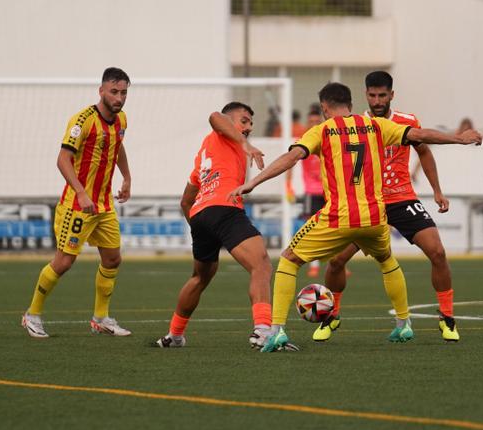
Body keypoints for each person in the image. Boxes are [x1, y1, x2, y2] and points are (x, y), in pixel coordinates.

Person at [230, 82, 481, 352]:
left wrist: (253, 182)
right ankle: (403, 324)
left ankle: (277, 330)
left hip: (338, 218)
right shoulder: (375, 125)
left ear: (325, 107)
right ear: (350, 103)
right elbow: (420, 135)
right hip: (374, 218)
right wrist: (459, 138)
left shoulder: (322, 130)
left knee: (289, 260)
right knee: (386, 260)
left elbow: (291, 158)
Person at [315, 71, 460, 343]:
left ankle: (447, 318)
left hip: (402, 198)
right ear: (365, 95)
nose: (377, 100)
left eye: (383, 95)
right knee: (336, 261)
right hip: (367, 201)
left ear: (392, 95)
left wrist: (437, 191)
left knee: (438, 252)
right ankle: (332, 315)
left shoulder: (407, 122)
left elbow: (424, 152)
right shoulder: (354, 123)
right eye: (372, 95)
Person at [21, 67, 132, 338]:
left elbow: (117, 147)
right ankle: (32, 314)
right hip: (76, 205)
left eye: (124, 93)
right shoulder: (82, 121)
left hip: (104, 206)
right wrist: (81, 192)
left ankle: (101, 318)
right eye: (114, 92)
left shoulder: (122, 121)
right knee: (64, 262)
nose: (119, 98)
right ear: (101, 91)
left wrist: (127, 177)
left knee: (113, 258)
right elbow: (62, 159)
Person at [154, 102, 273, 348]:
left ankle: (174, 335)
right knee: (261, 264)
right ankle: (263, 331)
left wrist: (201, 227)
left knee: (200, 277)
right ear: (229, 122)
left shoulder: (205, 154)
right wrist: (245, 143)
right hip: (224, 209)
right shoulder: (225, 133)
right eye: (243, 120)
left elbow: (186, 201)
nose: (248, 127)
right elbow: (214, 116)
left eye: (251, 123)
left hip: (201, 215)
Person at [300, 109, 325, 278]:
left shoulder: (327, 140)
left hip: (330, 192)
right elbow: (291, 158)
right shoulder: (304, 142)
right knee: (311, 229)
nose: (314, 125)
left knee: (338, 228)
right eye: (311, 122)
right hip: (311, 192)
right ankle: (314, 265)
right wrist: (288, 185)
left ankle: (338, 263)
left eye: (317, 121)